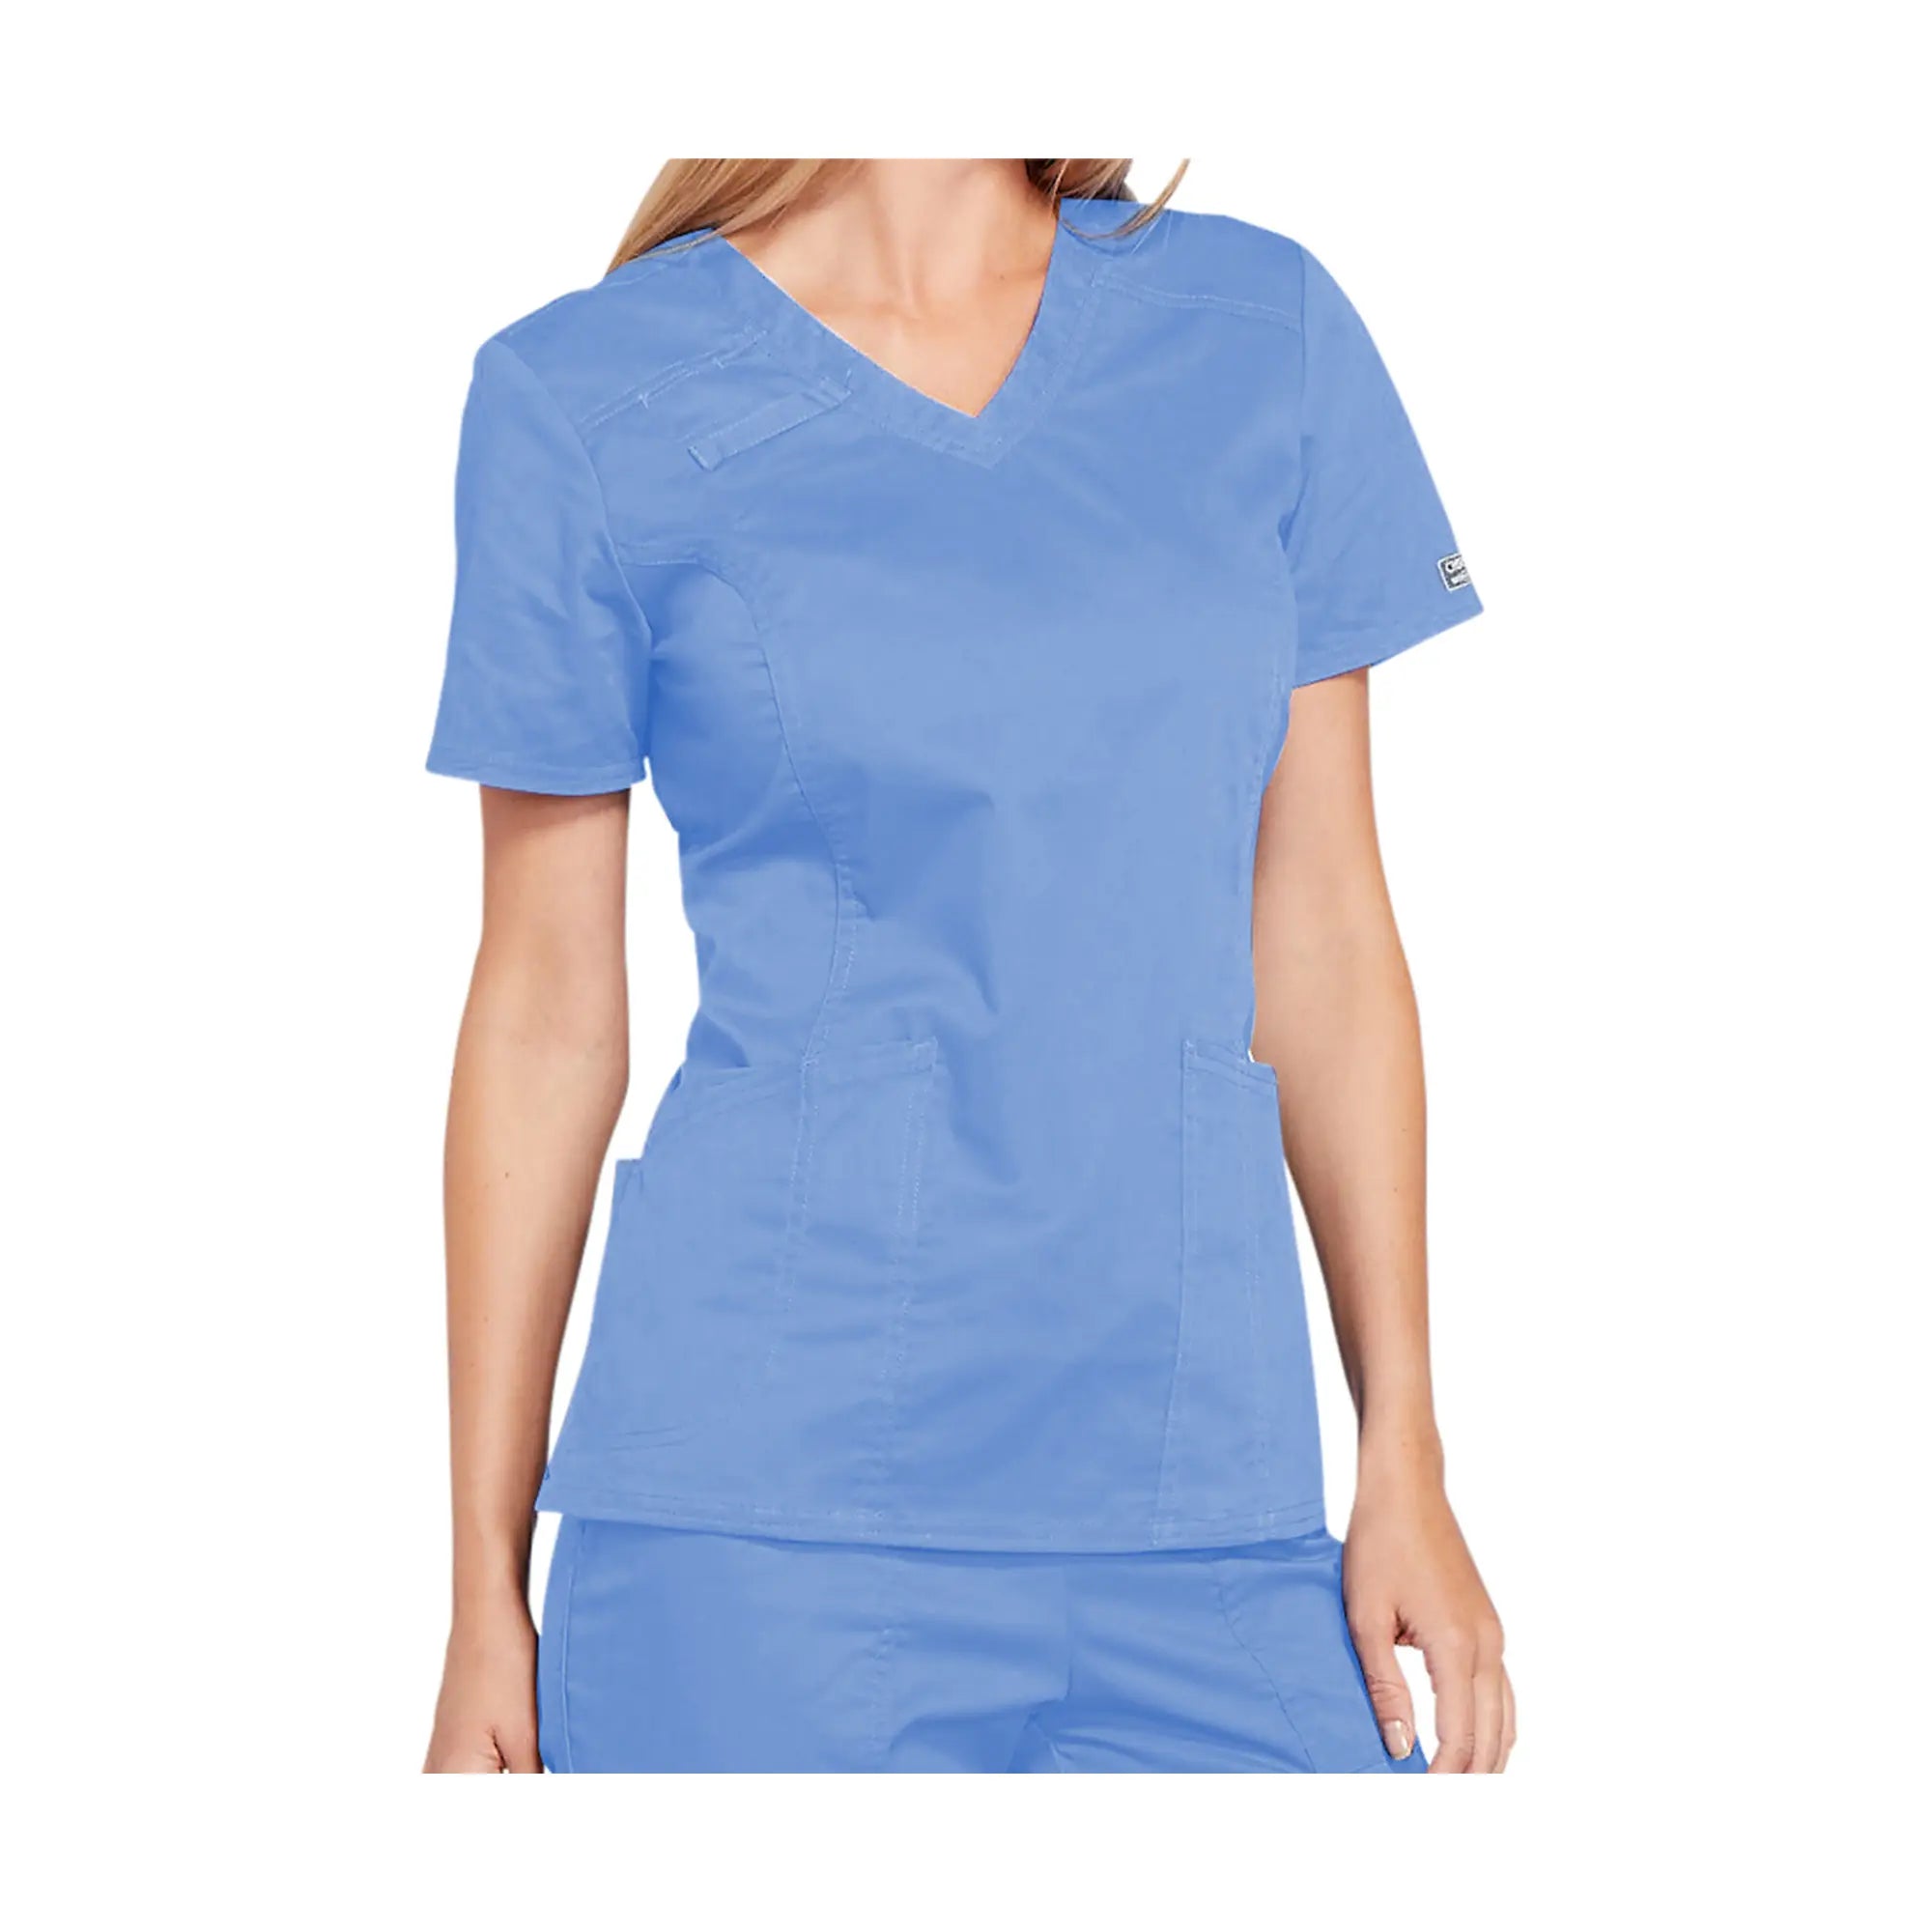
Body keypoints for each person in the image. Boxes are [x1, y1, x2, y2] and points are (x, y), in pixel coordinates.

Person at [422, 157, 1513, 1773]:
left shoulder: (1258, 330)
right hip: (756, 1538)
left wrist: (1403, 1442)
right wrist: (479, 1590)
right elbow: (544, 1011)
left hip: (1208, 1494)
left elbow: (1326, 923)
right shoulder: (583, 393)